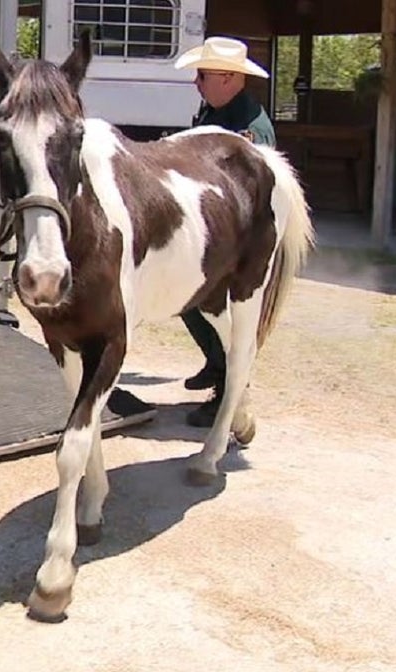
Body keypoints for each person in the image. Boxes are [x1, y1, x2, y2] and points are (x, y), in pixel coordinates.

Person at [106, 36, 275, 429]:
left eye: (202, 75)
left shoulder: (249, 131)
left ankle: (228, 389)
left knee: (225, 313)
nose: (196, 83)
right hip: (210, 238)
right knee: (192, 302)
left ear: (229, 78)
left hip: (233, 244)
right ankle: (215, 364)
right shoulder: (216, 112)